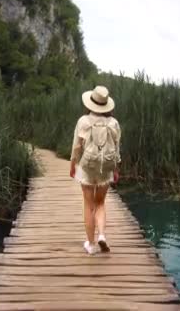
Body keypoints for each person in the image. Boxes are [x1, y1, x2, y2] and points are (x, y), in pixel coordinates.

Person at [69, 85, 121, 255]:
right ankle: (102, 235)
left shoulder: (83, 121)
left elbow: (77, 147)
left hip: (87, 167)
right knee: (100, 203)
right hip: (106, 166)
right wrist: (115, 168)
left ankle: (91, 245)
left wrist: (72, 164)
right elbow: (117, 148)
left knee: (88, 205)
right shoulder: (113, 123)